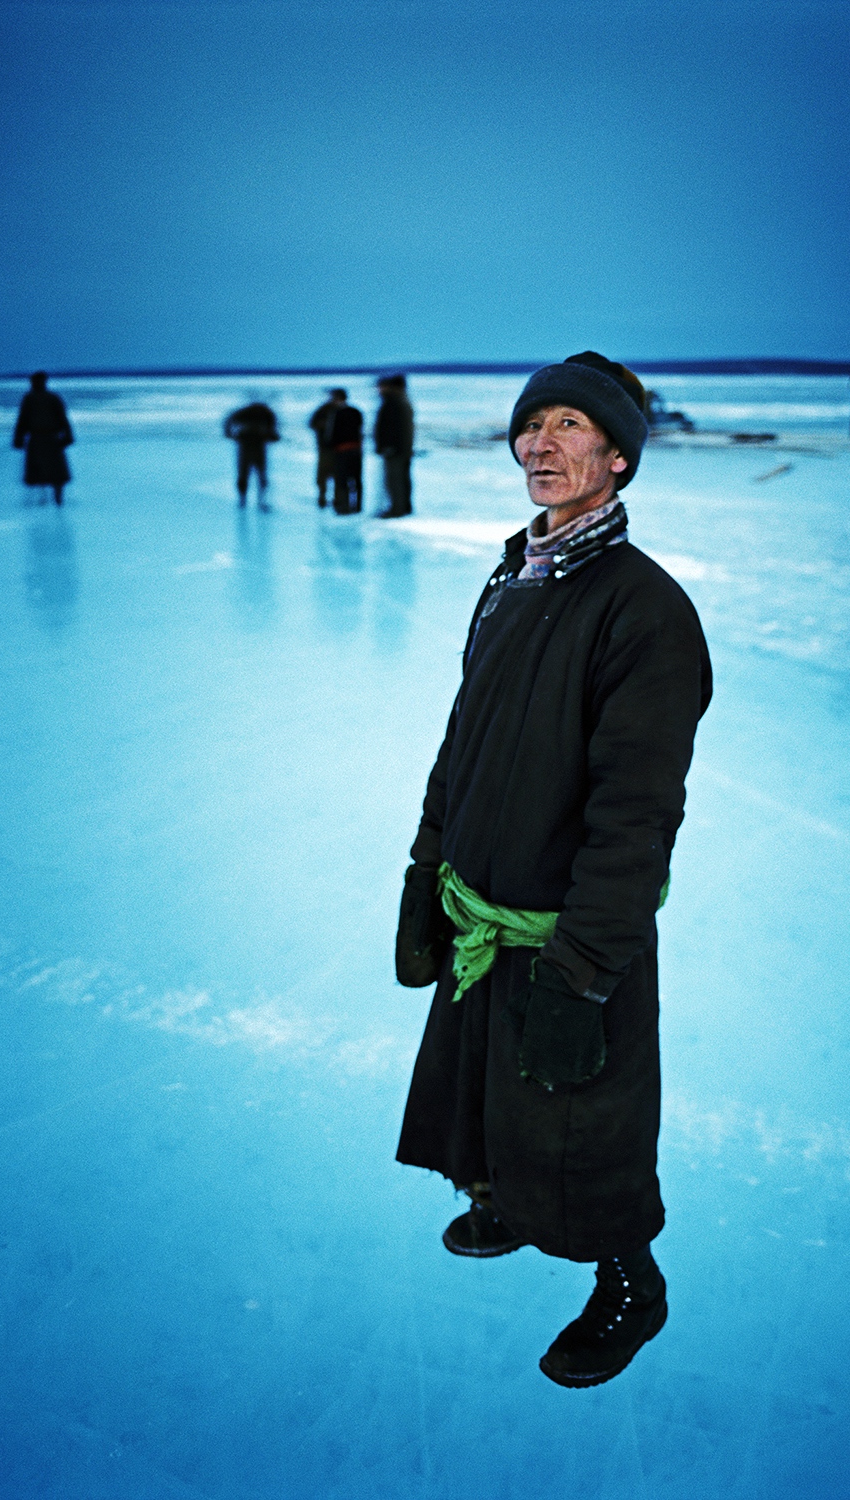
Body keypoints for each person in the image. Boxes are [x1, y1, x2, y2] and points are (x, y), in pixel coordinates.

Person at [394, 351, 712, 1388]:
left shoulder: (642, 608)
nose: (543, 443)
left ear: (618, 457)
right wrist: (423, 871)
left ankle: (632, 1287)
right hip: (484, 903)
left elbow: (637, 815)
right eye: (534, 424)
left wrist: (586, 965)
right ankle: (508, 1204)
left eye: (573, 426)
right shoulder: (514, 572)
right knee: (494, 1085)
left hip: (567, 927)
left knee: (587, 1118)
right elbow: (462, 741)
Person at [12, 372, 74, 505]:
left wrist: (68, 436)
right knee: (38, 471)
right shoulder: (29, 399)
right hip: (37, 438)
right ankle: (43, 499)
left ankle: (58, 499)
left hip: (52, 439)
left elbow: (63, 418)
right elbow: (22, 420)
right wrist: (18, 438)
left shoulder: (53, 398)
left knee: (57, 473)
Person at [224, 399, 280, 509]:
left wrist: (229, 433)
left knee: (251, 474)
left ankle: (246, 500)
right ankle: (249, 500)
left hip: (251, 446)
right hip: (251, 446)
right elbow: (273, 430)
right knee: (256, 474)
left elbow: (273, 430)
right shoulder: (264, 414)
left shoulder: (263, 414)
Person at [373, 373, 414, 517]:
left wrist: (388, 446)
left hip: (395, 450)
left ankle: (397, 509)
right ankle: (403, 507)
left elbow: (391, 428)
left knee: (394, 480)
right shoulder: (401, 401)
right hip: (402, 449)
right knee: (402, 479)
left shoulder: (393, 402)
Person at [327, 389, 364, 515]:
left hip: (342, 450)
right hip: (356, 449)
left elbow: (332, 434)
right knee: (356, 479)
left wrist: (331, 445)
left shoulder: (336, 413)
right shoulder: (356, 412)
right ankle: (357, 506)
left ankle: (344, 506)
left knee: (342, 479)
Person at [308, 388, 345, 508]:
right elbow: (312, 423)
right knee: (323, 475)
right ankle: (322, 496)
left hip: (339, 449)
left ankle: (337, 498)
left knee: (337, 475)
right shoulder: (324, 410)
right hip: (325, 448)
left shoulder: (344, 410)